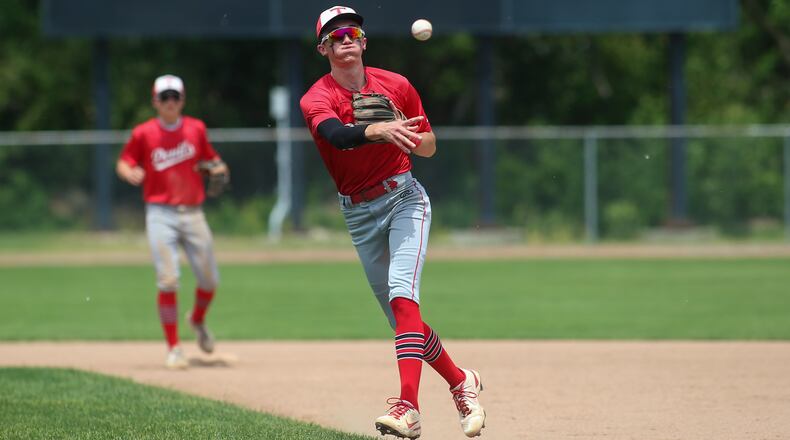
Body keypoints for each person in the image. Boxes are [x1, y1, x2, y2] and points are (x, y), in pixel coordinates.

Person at [300, 6, 486, 438]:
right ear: (323, 48)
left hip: (404, 197)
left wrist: (409, 136)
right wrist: (378, 130)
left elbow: (430, 146)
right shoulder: (317, 96)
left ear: (363, 42)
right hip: (359, 215)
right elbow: (335, 135)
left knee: (404, 294)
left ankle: (408, 408)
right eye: (335, 35)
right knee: (405, 323)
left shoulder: (396, 85)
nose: (345, 39)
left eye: (352, 32)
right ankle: (462, 382)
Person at [116, 74, 229, 369]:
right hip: (160, 213)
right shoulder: (143, 133)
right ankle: (174, 347)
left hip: (193, 212)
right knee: (168, 280)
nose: (169, 102)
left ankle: (197, 320)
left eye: (174, 97)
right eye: (164, 97)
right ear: (155, 101)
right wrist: (128, 172)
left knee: (209, 280)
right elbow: (124, 161)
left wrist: (217, 168)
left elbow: (212, 160)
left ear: (183, 100)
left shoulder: (196, 128)